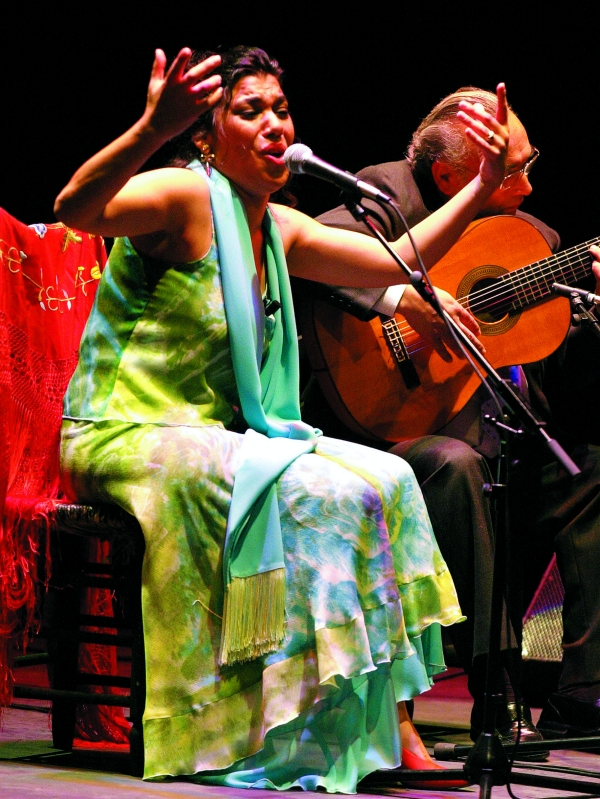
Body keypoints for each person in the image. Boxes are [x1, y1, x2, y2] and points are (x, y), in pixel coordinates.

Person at [54, 49, 511, 790]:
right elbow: (75, 209)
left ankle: (387, 725)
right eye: (250, 111)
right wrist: (150, 128)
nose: (275, 124)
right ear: (207, 136)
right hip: (126, 431)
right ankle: (292, 723)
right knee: (334, 495)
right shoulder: (183, 194)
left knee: (393, 479)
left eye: (281, 109)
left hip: (213, 437)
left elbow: (398, 259)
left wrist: (482, 187)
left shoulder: (276, 227)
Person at [309, 86, 600, 748]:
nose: (527, 185)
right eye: (511, 169)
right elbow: (310, 256)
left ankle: (582, 693)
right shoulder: (382, 194)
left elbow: (559, 371)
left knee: (592, 471)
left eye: (527, 163)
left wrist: (594, 319)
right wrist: (402, 303)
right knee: (458, 466)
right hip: (379, 434)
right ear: (448, 178)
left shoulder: (532, 241)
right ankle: (495, 684)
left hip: (498, 438)